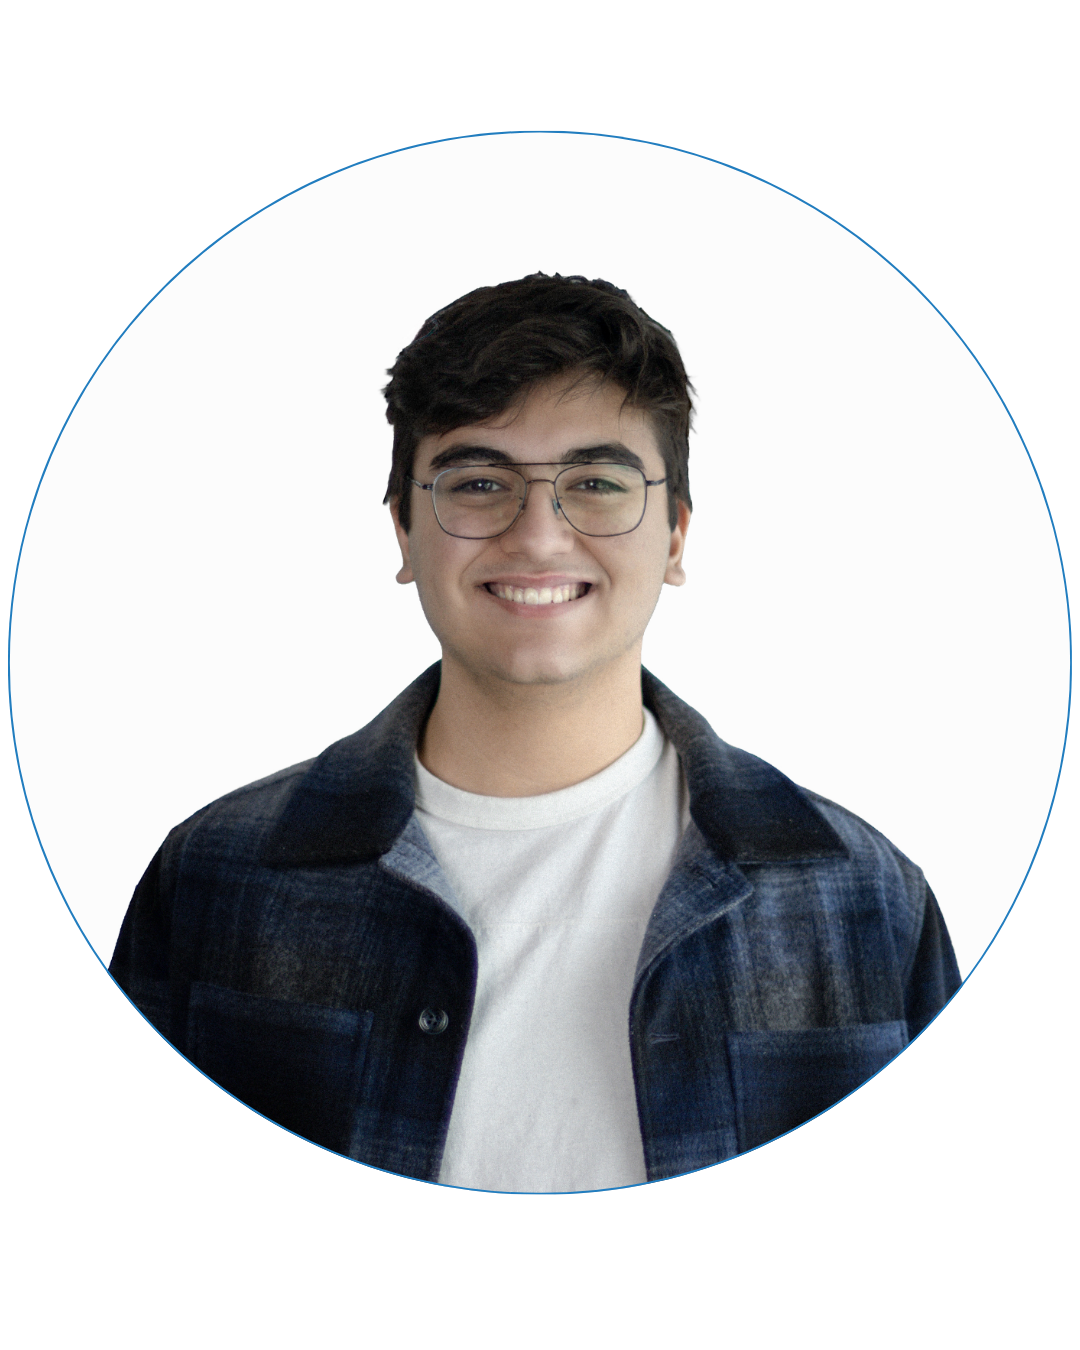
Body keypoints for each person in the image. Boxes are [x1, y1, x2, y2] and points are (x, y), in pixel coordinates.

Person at [110, 272, 960, 1192]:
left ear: (676, 537)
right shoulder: (214, 879)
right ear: (404, 532)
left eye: (597, 483)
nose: (538, 536)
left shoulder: (865, 899)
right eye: (479, 483)